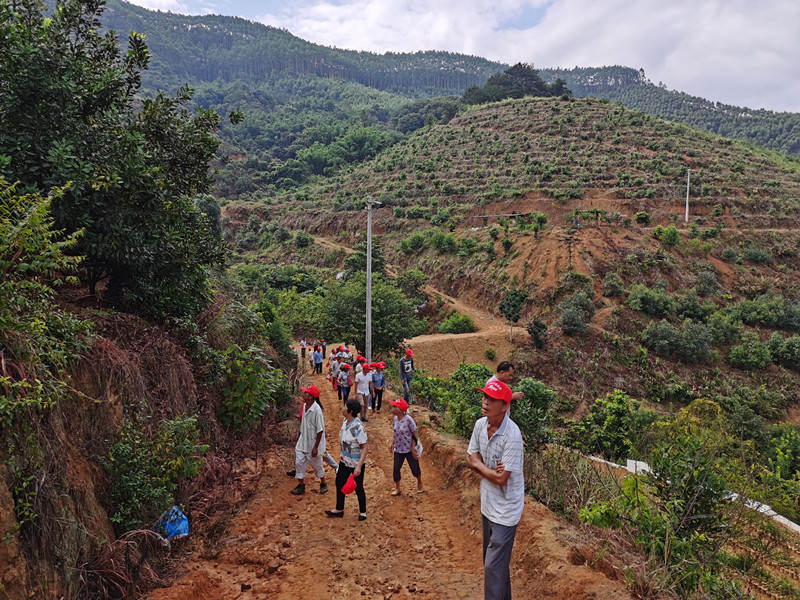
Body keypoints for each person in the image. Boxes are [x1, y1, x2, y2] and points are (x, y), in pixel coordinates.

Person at [466, 380, 524, 600]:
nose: (485, 401)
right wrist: (487, 469)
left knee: (492, 567)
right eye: (485, 397)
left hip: (506, 511)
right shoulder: (480, 425)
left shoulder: (513, 436)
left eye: (492, 399)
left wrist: (479, 466)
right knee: (493, 565)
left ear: (505, 406)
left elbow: (501, 479)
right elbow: (469, 455)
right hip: (488, 504)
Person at [325, 398, 368, 521]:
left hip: (355, 463)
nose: (342, 408)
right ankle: (339, 509)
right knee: (339, 482)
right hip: (344, 461)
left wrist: (359, 466)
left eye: (345, 406)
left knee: (358, 486)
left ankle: (363, 512)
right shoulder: (345, 421)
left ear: (350, 411)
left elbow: (364, 447)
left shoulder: (358, 427)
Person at [287, 385, 328, 496]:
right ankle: (301, 485)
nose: (303, 394)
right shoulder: (305, 406)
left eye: (306, 392)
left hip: (313, 441)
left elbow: (320, 431)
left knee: (317, 464)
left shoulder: (317, 410)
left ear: (311, 397)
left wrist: (315, 447)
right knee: (299, 462)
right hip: (303, 439)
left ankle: (323, 482)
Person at [388, 398, 423, 495]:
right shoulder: (395, 419)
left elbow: (415, 435)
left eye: (395, 406)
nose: (392, 408)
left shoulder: (409, 420)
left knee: (415, 468)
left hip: (408, 449)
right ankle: (398, 488)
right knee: (396, 469)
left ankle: (419, 481)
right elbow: (396, 433)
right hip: (398, 449)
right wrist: (392, 443)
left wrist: (413, 448)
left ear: (400, 409)